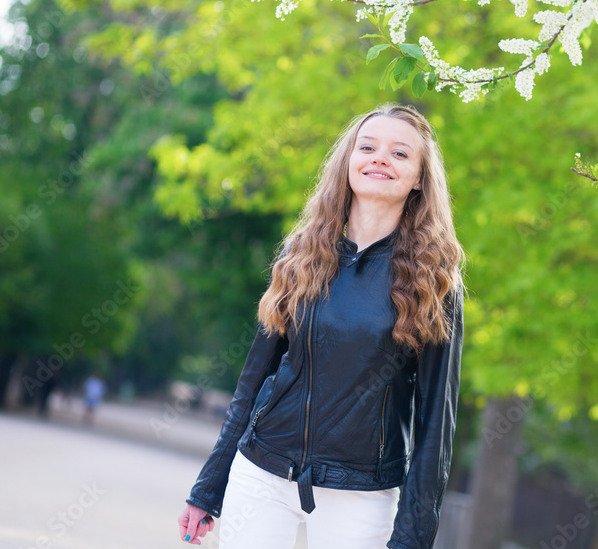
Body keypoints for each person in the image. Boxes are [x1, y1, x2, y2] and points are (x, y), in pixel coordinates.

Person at [177, 104, 466, 548]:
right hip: (262, 471)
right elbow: (252, 381)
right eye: (367, 147)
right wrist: (208, 488)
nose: (379, 158)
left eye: (400, 153)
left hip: (361, 492)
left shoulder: (435, 278)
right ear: (348, 162)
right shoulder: (303, 252)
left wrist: (413, 538)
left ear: (420, 179)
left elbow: (436, 424)